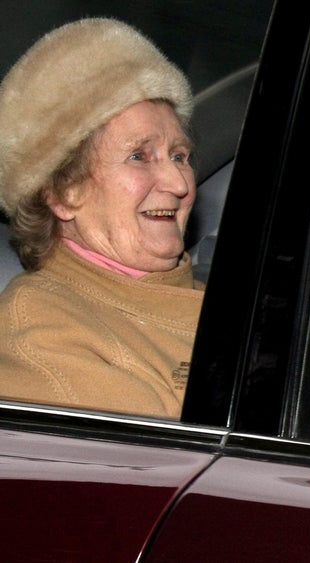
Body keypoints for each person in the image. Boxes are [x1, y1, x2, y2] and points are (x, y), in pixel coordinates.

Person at [0, 18, 202, 419]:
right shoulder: (43, 332)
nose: (179, 182)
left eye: (179, 156)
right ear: (63, 193)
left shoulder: (237, 304)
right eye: (139, 156)